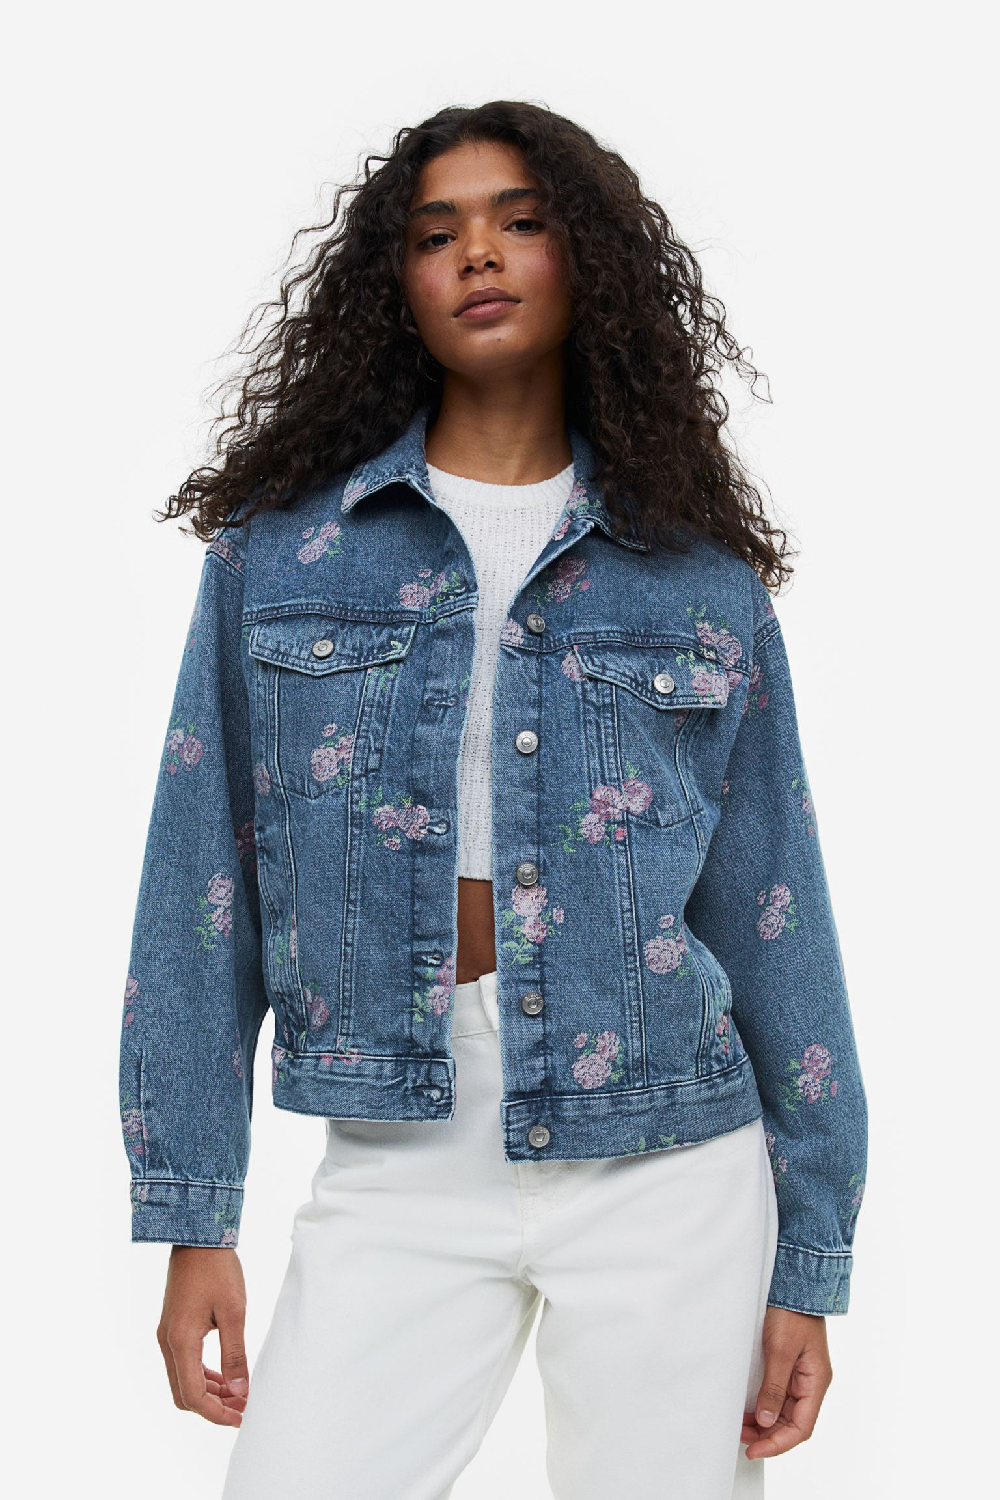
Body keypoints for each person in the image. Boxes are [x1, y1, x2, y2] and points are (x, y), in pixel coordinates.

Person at [119, 100, 869, 1499]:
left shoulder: (702, 584)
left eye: (521, 221)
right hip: (399, 1150)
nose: (479, 254)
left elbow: (777, 914)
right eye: (436, 233)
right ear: (392, 285)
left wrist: (811, 1261)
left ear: (588, 262)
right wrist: (193, 1212)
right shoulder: (278, 559)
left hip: (670, 1155)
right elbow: (198, 889)